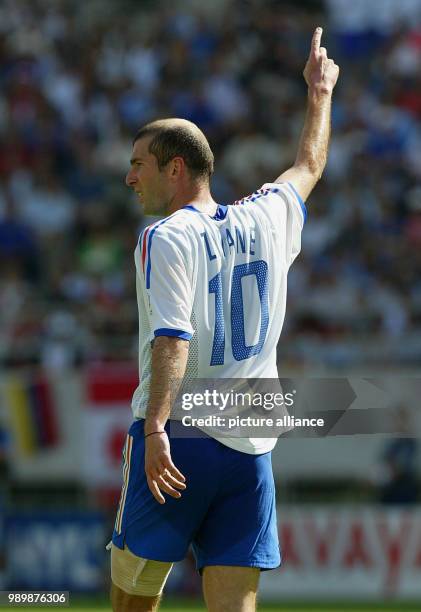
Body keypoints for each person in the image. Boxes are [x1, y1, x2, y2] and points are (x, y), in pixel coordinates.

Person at [110, 27, 339, 612]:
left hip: (179, 438)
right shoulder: (269, 217)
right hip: (249, 447)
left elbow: (172, 339)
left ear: (176, 169)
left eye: (139, 164)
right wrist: (320, 94)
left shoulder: (165, 236)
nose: (130, 177)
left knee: (132, 601)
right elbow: (309, 164)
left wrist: (157, 428)